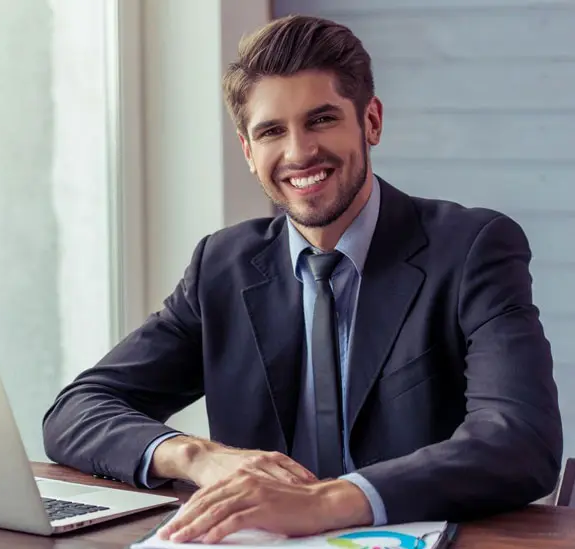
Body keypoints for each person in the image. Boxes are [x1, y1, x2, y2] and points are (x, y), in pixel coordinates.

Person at [42, 14, 563, 544]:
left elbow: (520, 440)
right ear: (248, 151)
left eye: (321, 120)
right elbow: (77, 411)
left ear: (372, 121)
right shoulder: (221, 266)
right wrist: (198, 457)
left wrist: (329, 502)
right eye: (271, 131)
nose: (298, 153)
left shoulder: (472, 248)